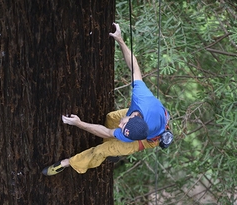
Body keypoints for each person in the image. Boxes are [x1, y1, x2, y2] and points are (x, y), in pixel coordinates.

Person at [42, 22, 170, 176]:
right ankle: (113, 149)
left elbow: (109, 132)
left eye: (122, 130)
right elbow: (135, 68)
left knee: (101, 150)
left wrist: (78, 123)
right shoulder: (142, 98)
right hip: (155, 116)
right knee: (111, 117)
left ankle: (69, 163)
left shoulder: (130, 132)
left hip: (149, 139)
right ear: (134, 115)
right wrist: (120, 40)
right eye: (123, 125)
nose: (120, 126)